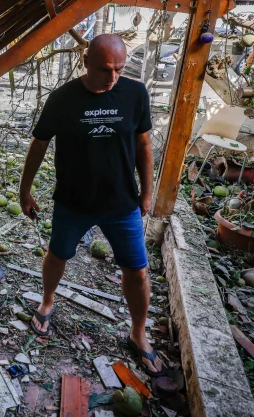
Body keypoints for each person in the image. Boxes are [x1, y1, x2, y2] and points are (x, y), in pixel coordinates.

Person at [19, 34, 164, 376]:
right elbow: (39, 145)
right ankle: (48, 301)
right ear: (86, 62)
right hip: (73, 201)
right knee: (57, 256)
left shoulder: (135, 94)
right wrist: (24, 191)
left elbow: (144, 146)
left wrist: (147, 193)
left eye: (119, 68)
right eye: (104, 69)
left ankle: (138, 331)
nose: (112, 77)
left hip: (122, 203)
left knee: (137, 270)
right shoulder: (63, 98)